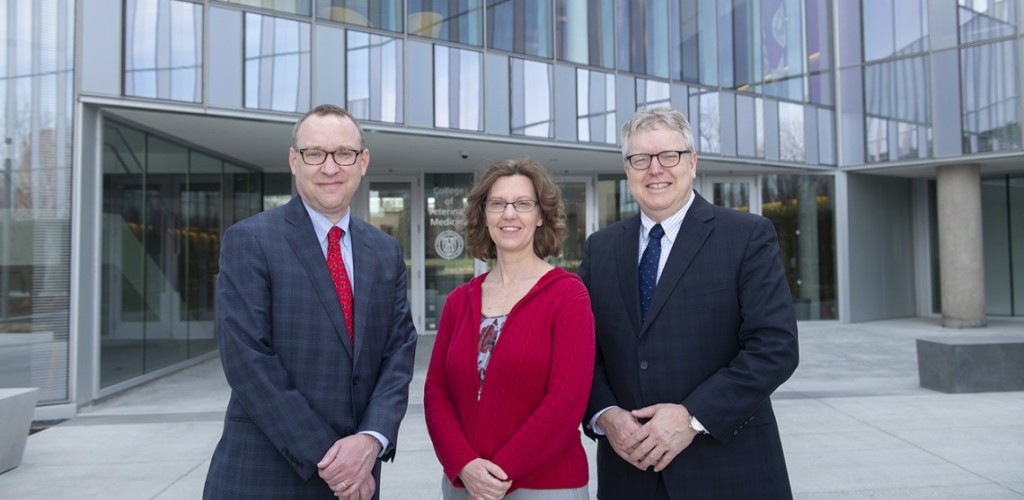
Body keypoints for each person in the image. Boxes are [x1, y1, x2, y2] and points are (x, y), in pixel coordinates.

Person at [580, 107, 799, 499]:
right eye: (640, 159)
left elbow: (775, 347)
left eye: (669, 156)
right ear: (627, 170)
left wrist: (692, 416)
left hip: (728, 471)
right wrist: (605, 414)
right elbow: (583, 350)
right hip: (629, 474)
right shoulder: (601, 248)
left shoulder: (747, 237)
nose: (655, 169)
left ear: (692, 162)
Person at [204, 104, 418, 500]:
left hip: (359, 476)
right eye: (315, 153)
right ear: (294, 160)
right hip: (266, 476)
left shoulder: (384, 250)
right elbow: (247, 359)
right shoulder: (250, 241)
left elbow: (399, 351)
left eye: (344, 153)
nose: (330, 167)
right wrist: (335, 460)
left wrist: (371, 439)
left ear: (363, 161)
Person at [424, 159, 595, 500]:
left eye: (523, 204)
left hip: (545, 486)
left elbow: (565, 403)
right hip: (465, 483)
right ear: (483, 215)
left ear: (541, 215)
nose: (509, 214)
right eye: (498, 204)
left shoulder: (568, 295)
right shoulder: (460, 301)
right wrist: (464, 465)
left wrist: (497, 476)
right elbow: (436, 393)